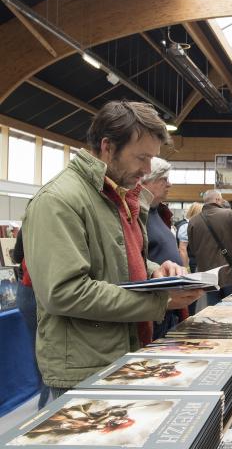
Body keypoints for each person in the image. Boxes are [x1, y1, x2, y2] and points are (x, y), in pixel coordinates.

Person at [22, 100, 203, 397]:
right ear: (107, 147)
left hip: (121, 353)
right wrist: (159, 303)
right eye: (141, 158)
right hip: (85, 369)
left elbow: (119, 261)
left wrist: (159, 272)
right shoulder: (58, 200)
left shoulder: (115, 194)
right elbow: (64, 292)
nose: (146, 170)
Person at [141, 157, 189, 339]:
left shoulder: (157, 212)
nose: (169, 184)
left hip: (167, 307)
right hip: (155, 308)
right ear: (146, 179)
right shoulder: (139, 213)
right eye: (164, 179)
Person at [12, 229, 50, 408]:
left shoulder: (27, 224)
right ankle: (46, 401)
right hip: (35, 288)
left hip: (29, 288)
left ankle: (45, 399)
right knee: (44, 344)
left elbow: (17, 255)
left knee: (38, 344)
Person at [188, 189, 232, 305]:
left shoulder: (193, 221)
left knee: (213, 310)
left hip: (207, 275)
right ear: (217, 199)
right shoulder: (229, 214)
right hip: (229, 272)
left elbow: (192, 249)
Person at [176, 202, 202, 273]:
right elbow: (182, 249)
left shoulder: (190, 224)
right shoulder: (186, 226)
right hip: (191, 264)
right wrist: (186, 268)